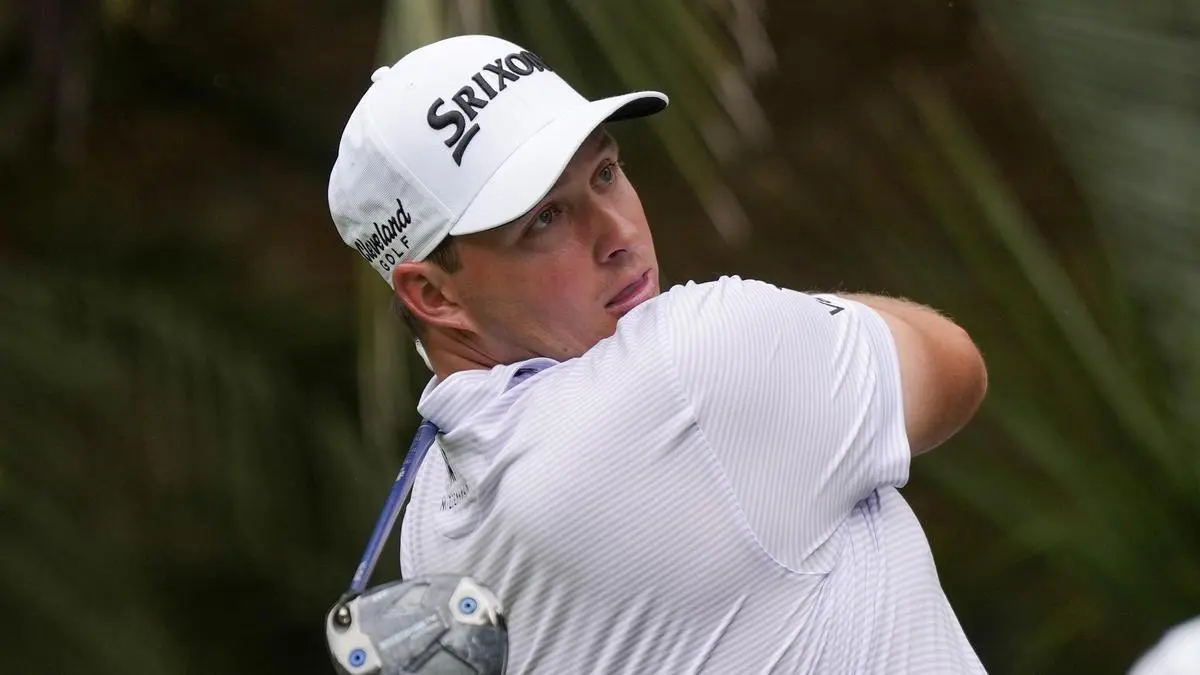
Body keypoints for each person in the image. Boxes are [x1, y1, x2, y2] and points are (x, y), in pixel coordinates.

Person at [327, 33, 989, 675]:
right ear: (434, 295)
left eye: (605, 173)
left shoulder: (429, 521)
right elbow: (953, 364)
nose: (618, 233)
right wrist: (788, 322)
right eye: (545, 219)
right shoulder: (693, 366)